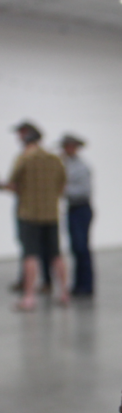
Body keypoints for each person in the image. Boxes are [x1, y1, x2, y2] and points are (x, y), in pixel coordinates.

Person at [4, 121, 68, 310]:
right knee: (56, 255)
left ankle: (29, 298)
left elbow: (13, 184)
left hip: (28, 214)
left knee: (30, 255)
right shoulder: (55, 159)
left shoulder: (24, 159)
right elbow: (63, 186)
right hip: (51, 214)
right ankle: (63, 293)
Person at [60, 134, 94, 297]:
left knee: (81, 248)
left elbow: (84, 191)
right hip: (72, 209)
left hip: (81, 208)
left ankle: (86, 285)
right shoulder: (65, 164)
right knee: (75, 248)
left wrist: (63, 190)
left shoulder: (81, 167)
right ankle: (78, 284)